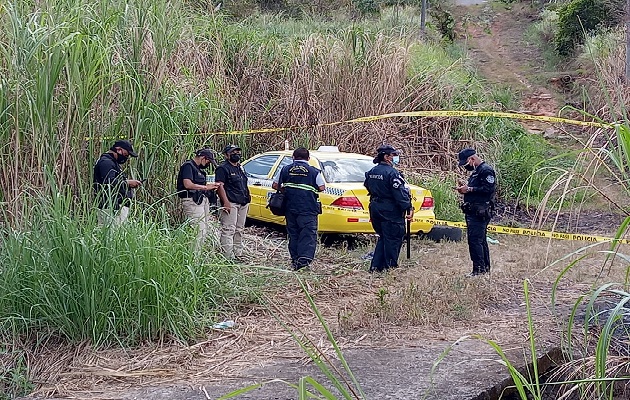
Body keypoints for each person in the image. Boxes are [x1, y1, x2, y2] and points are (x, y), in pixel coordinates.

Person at [272, 147, 325, 270]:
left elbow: (275, 185)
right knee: (307, 234)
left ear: (293, 157)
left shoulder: (285, 169)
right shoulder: (314, 171)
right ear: (308, 158)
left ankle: (295, 260)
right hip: (308, 208)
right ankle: (304, 262)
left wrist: (288, 189)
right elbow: (322, 187)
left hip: (290, 207)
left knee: (293, 233)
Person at [363, 144, 414, 273]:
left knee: (384, 237)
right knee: (393, 238)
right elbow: (400, 193)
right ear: (386, 157)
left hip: (375, 207)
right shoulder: (392, 173)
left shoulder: (371, 172)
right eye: (393, 155)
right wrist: (408, 207)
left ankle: (376, 267)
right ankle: (390, 268)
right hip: (390, 210)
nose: (396, 158)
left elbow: (367, 187)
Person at [455, 148, 497, 276]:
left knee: (475, 241)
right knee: (480, 240)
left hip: (480, 211)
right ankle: (484, 268)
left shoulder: (486, 170)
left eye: (466, 163)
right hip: (473, 210)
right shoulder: (476, 172)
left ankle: (478, 269)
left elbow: (488, 189)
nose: (465, 166)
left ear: (472, 159)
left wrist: (469, 189)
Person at [177, 148, 223, 251]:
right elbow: (187, 184)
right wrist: (206, 187)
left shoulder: (199, 170)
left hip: (201, 200)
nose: (208, 164)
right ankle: (194, 259)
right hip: (192, 201)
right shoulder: (188, 166)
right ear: (203, 158)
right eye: (208, 161)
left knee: (204, 230)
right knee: (199, 231)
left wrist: (211, 186)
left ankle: (199, 255)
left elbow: (199, 185)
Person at [93, 139, 142, 226]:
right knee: (113, 235)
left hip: (112, 208)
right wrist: (127, 183)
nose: (126, 157)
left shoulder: (111, 162)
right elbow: (108, 182)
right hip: (111, 208)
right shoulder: (106, 162)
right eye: (126, 154)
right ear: (119, 149)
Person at [215, 144, 251, 260]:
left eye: (238, 152)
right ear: (226, 155)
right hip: (231, 202)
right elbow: (220, 186)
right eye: (233, 152)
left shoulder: (240, 167)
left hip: (243, 202)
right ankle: (228, 257)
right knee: (229, 229)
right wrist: (225, 202)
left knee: (239, 229)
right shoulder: (223, 168)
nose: (236, 154)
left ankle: (238, 254)